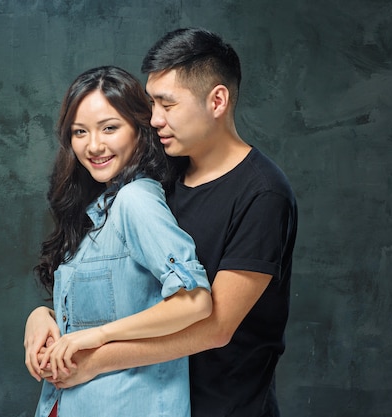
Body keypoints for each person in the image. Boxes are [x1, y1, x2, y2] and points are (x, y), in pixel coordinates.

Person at [25, 28, 298, 417]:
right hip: (143, 397)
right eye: (152, 104)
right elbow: (127, 295)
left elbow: (215, 325)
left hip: (226, 406)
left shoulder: (262, 192)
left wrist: (97, 356)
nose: (154, 119)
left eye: (167, 105)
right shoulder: (157, 180)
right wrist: (44, 316)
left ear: (217, 100)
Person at [26, 65, 213, 417]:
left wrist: (98, 337)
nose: (93, 145)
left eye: (109, 128)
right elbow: (112, 306)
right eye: (80, 132)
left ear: (139, 131)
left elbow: (195, 302)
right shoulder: (95, 210)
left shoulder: (136, 201)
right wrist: (41, 316)